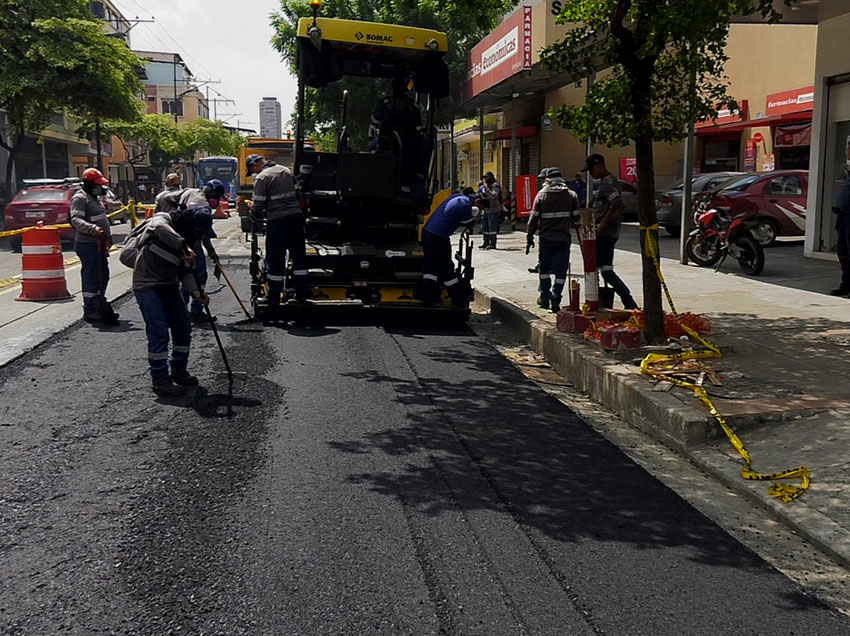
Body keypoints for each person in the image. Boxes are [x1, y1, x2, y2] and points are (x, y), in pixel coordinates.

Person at [132, 211, 208, 396]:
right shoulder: (164, 225)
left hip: (169, 285)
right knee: (158, 333)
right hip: (147, 286)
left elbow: (185, 271)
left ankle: (179, 370)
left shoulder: (186, 242)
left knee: (183, 329)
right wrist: (183, 246)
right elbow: (157, 224)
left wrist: (195, 291)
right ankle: (160, 380)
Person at [245, 154, 308, 306]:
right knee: (298, 256)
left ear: (255, 165)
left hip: (278, 221)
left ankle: (273, 296)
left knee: (275, 259)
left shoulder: (262, 177)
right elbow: (298, 194)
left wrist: (251, 207)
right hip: (296, 218)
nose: (253, 172)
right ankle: (301, 295)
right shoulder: (286, 171)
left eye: (252, 170)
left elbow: (258, 205)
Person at [584, 153, 638, 310]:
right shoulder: (607, 181)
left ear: (599, 165)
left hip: (606, 234)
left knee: (600, 269)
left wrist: (602, 224)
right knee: (605, 269)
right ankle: (626, 301)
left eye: (591, 170)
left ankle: (628, 302)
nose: (591, 174)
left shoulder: (607, 182)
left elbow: (617, 204)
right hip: (607, 233)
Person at [527, 167, 580, 313]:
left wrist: (529, 236)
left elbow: (533, 219)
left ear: (547, 180)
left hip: (546, 239)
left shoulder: (541, 195)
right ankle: (556, 299)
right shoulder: (571, 195)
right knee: (561, 271)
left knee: (544, 269)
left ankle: (544, 296)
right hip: (563, 239)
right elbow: (577, 218)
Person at [70, 168, 119, 325]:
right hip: (88, 244)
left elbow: (102, 220)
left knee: (103, 274)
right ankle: (90, 309)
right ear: (89, 184)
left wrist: (108, 238)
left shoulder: (94, 198)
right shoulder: (80, 198)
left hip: (99, 244)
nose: (101, 187)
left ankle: (100, 303)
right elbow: (76, 220)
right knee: (91, 276)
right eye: (97, 184)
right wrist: (93, 229)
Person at [172, 180, 223, 320]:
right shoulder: (203, 205)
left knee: (185, 275)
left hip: (179, 238)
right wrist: (212, 251)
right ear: (211, 192)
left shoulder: (190, 191)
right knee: (198, 275)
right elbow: (203, 233)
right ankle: (196, 309)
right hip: (191, 241)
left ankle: (181, 310)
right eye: (217, 196)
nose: (217, 200)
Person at [420, 187, 479, 307]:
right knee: (446, 268)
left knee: (432, 267)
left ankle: (428, 297)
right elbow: (469, 225)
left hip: (430, 234)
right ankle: (457, 300)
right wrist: (476, 219)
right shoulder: (464, 205)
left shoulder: (455, 198)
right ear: (477, 202)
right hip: (437, 237)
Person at [368, 75, 421, 150]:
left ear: (393, 88)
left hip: (385, 143)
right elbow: (418, 128)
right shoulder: (414, 106)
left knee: (371, 145)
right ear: (405, 89)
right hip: (408, 146)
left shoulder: (384, 103)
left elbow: (375, 122)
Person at [831, 140, 850, 296]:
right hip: (843, 216)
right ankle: (846, 284)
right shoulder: (847, 170)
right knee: (843, 252)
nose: (846, 152)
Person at [479, 171, 502, 250]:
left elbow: (494, 196)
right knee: (485, 227)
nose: (485, 179)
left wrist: (487, 190)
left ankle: (493, 243)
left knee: (492, 228)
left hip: (493, 210)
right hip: (485, 209)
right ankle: (486, 242)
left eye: (486, 177)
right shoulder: (484, 186)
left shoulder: (495, 185)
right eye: (484, 177)